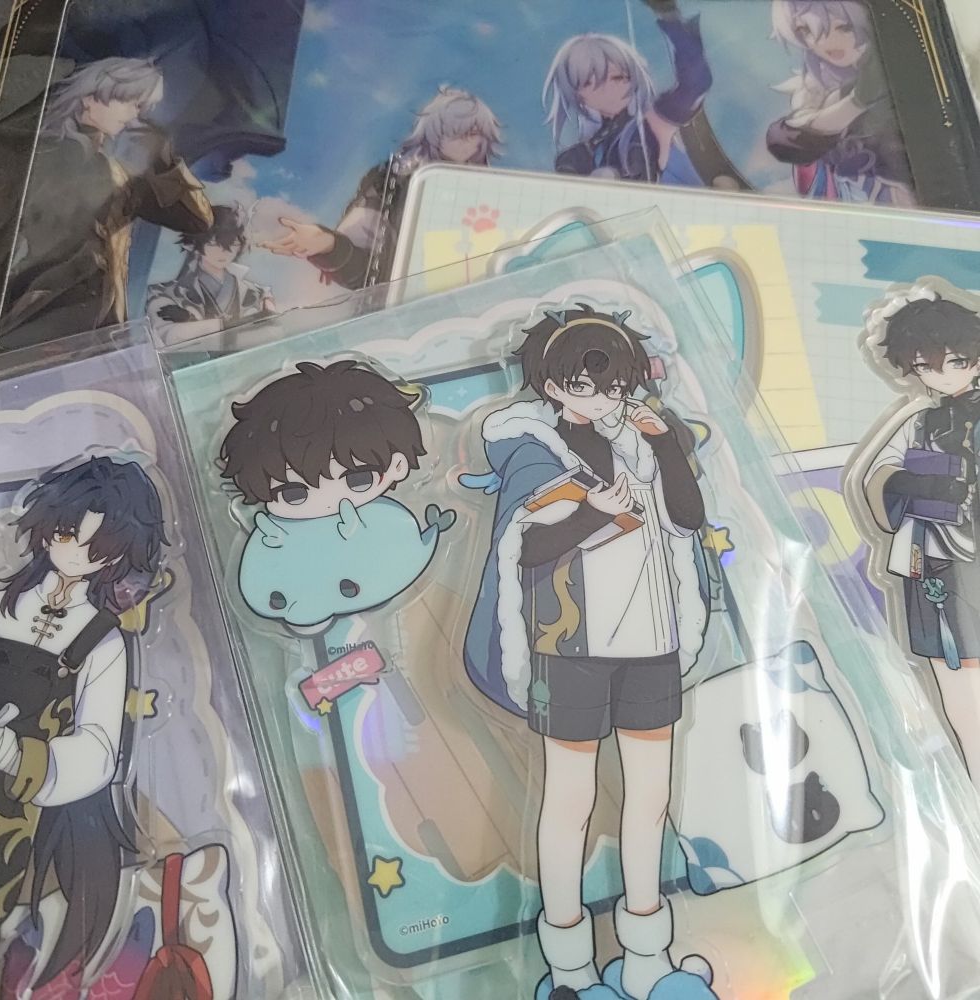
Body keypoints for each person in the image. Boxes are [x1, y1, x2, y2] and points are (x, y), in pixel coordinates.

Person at [460, 305, 713, 1000]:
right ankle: (569, 966)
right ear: (551, 386)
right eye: (585, 386)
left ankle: (648, 954)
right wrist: (594, 514)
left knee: (650, 796)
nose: (604, 398)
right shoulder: (534, 450)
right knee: (569, 798)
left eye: (615, 386)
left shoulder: (642, 440)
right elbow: (525, 549)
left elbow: (688, 518)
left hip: (652, 640)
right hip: (568, 645)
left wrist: (665, 448)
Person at [0, 456, 167, 988]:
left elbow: (99, 749)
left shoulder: (102, 641)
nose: (74, 552)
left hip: (11, 812)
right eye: (64, 533)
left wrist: (8, 753)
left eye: (97, 547)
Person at [0, 57, 213, 354]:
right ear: (89, 97)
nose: (135, 114)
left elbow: (196, 221)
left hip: (97, 329)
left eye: (143, 107)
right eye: (129, 101)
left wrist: (163, 159)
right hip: (27, 326)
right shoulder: (25, 158)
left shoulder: (117, 173)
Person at [220, 361, 455, 629]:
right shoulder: (272, 541)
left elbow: (405, 555)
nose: (326, 501)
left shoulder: (387, 524)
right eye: (293, 493)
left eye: (358, 479)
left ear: (398, 465)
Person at [858, 291, 980, 790]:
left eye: (956, 361)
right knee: (958, 683)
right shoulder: (920, 421)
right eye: (927, 366)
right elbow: (877, 482)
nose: (943, 375)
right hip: (936, 562)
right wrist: (925, 484)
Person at [261, 86, 502, 289]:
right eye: (456, 133)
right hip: (410, 309)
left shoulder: (494, 188)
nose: (467, 142)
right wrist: (329, 245)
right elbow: (368, 273)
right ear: (433, 133)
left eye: (474, 133)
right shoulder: (392, 182)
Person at [542, 0, 712, 185]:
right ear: (578, 95)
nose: (608, 87)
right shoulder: (586, 152)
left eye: (617, 77)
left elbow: (695, 82)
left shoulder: (650, 123)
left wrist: (669, 16)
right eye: (590, 83)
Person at [767, 0, 914, 204]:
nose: (826, 42)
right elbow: (786, 140)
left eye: (844, 27)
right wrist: (857, 101)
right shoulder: (818, 88)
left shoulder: (898, 67)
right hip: (852, 200)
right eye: (806, 30)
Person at [146, 204, 275, 345]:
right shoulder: (164, 293)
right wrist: (247, 325)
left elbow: (272, 332)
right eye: (213, 243)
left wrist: (193, 322)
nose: (224, 252)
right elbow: (171, 337)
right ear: (194, 244)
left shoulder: (258, 293)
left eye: (233, 244)